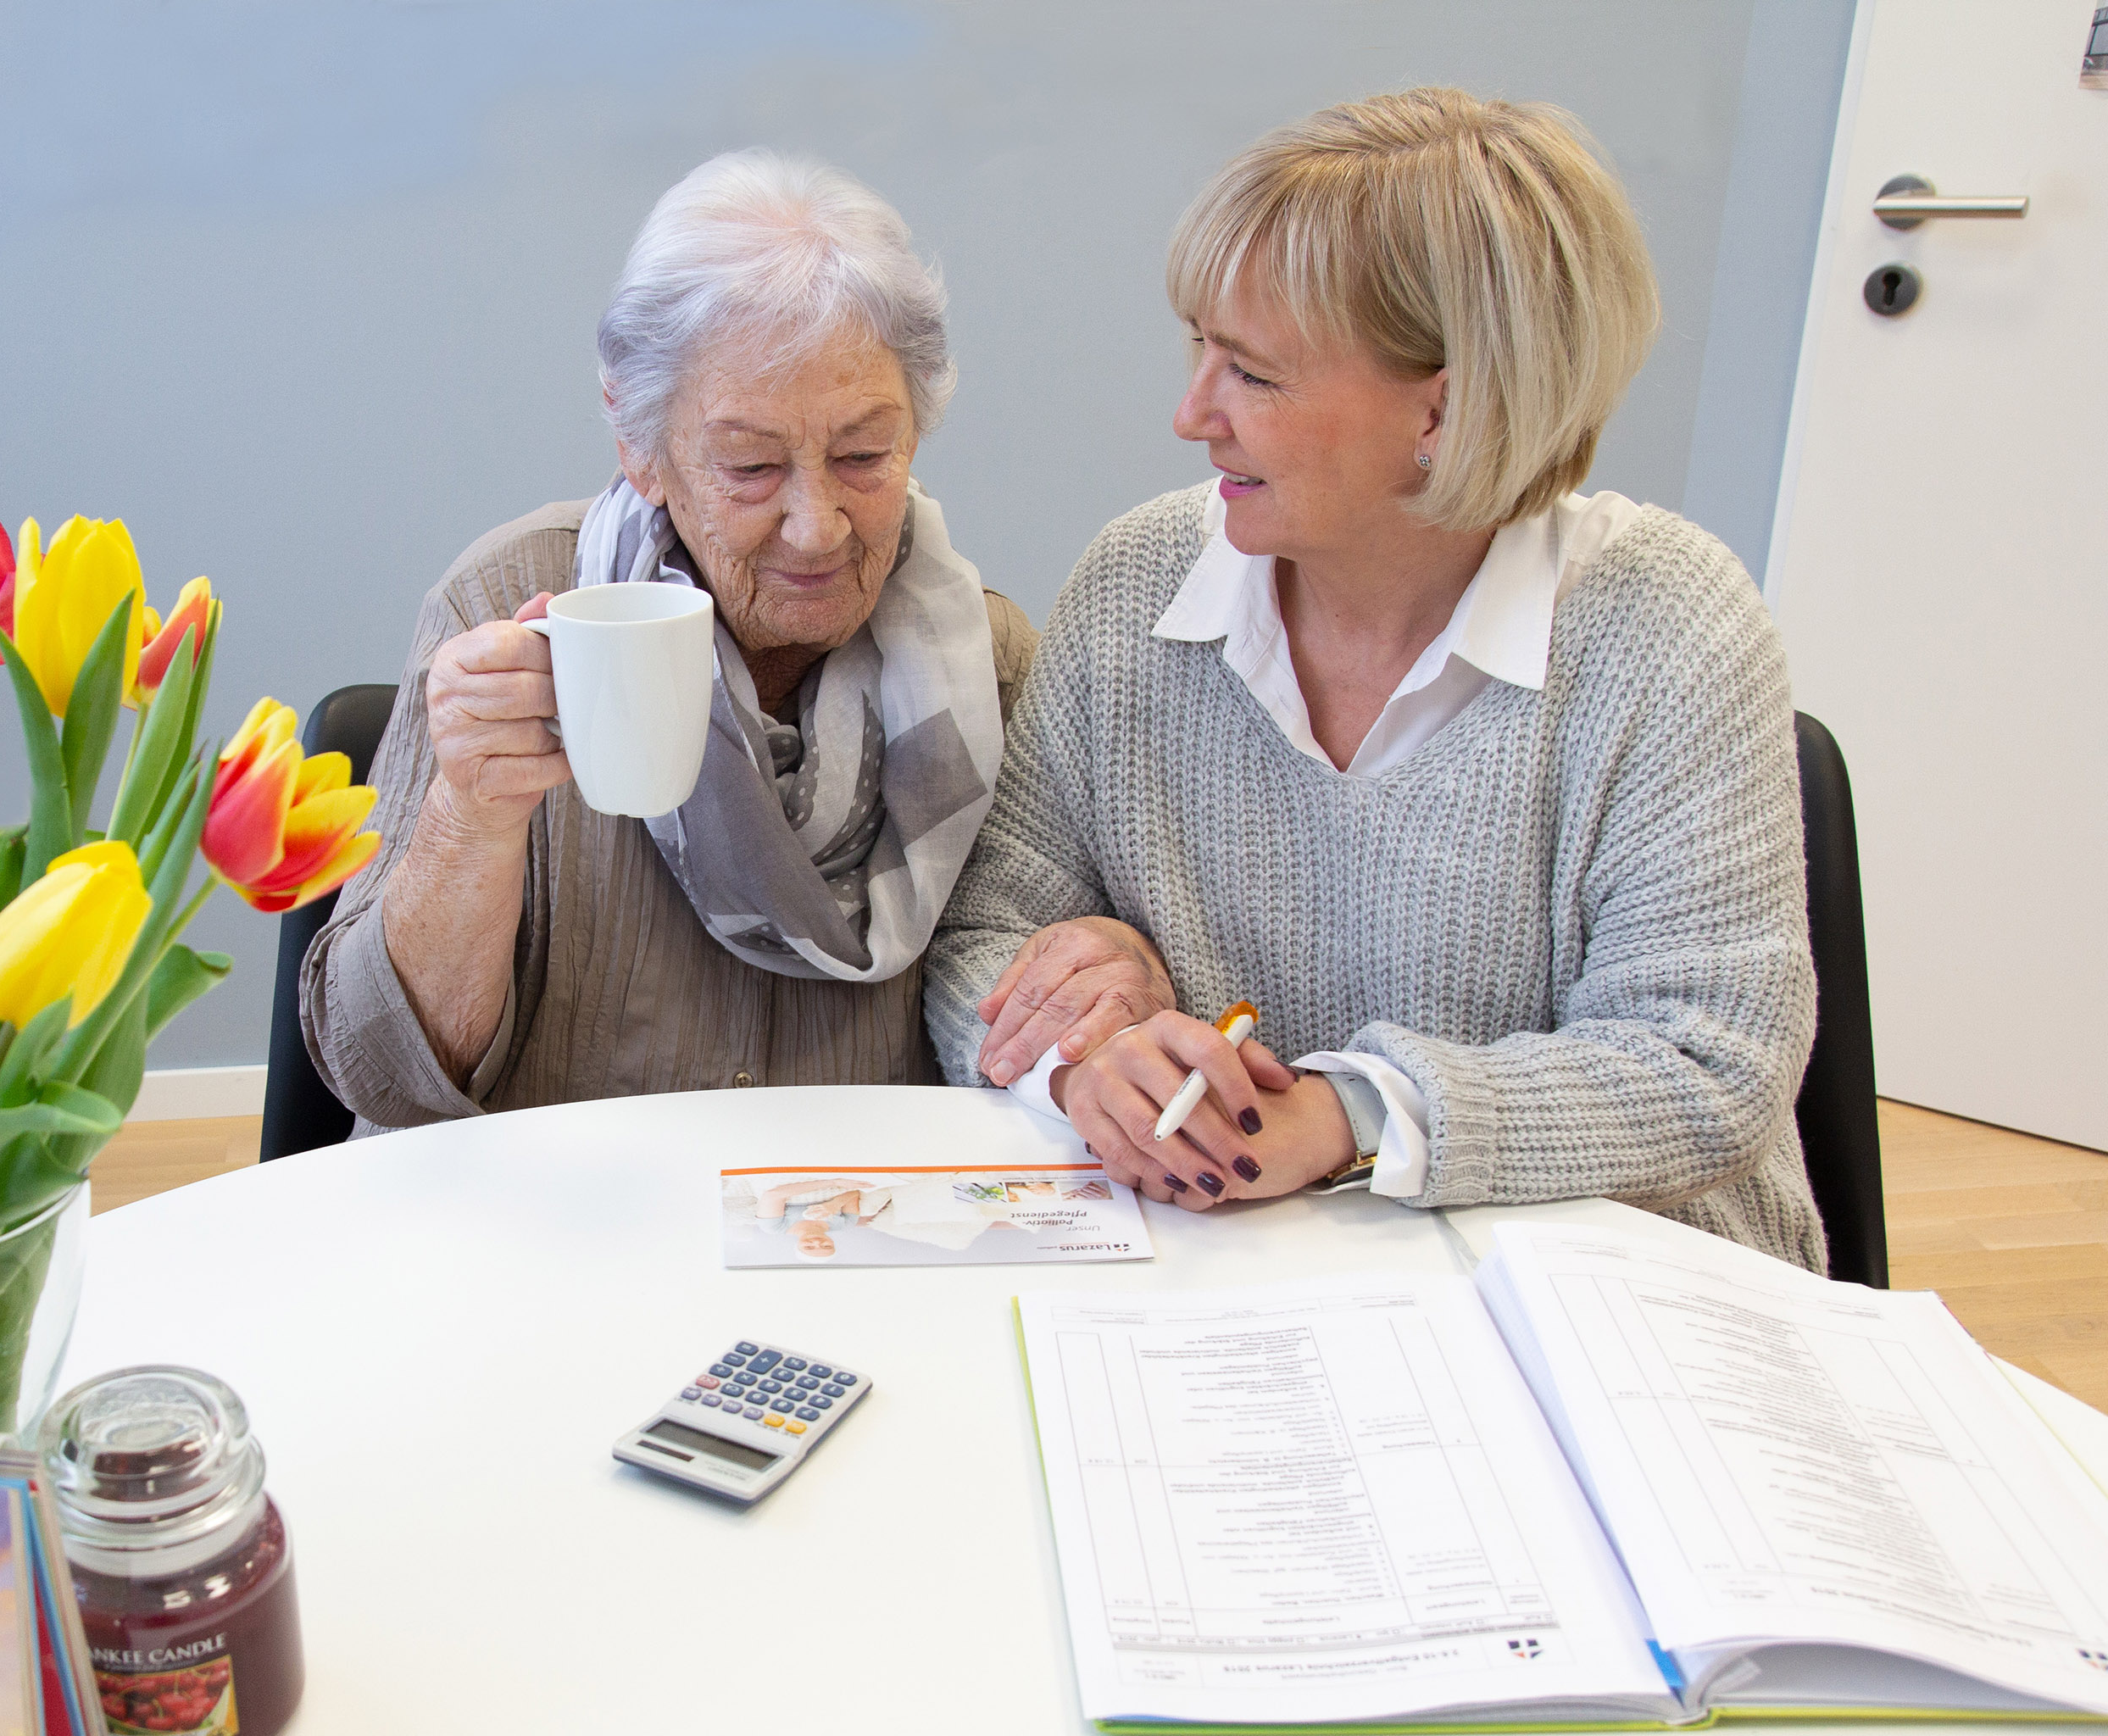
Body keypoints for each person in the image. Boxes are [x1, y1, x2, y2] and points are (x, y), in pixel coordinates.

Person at [927, 87, 1825, 1269]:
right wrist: (1085, 1046)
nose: (1192, 413)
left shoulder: (1667, 627)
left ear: (1444, 412)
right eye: (1198, 347)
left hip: (1619, 1297)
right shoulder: (1139, 580)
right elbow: (984, 934)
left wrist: (1344, 1115)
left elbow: (1707, 1061)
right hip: (1247, 1279)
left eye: (1252, 373)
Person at [303, 151, 1037, 1132]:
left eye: (864, 455)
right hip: (557, 1236)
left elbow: (1027, 1024)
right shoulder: (508, 599)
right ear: (639, 444)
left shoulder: (985, 664)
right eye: (750, 465)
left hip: (851, 1246)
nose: (817, 525)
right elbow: (381, 1075)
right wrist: (469, 820)